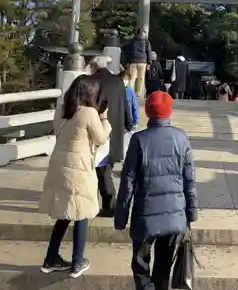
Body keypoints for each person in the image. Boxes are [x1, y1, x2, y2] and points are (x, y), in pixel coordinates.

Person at [114, 91, 198, 290]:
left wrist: (121, 217)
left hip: (145, 214)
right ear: (170, 112)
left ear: (148, 112)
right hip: (174, 214)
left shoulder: (139, 140)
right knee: (163, 267)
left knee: (140, 265)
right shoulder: (181, 138)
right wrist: (191, 213)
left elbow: (128, 182)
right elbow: (190, 180)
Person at [39, 75, 111, 278]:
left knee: (65, 213)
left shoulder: (62, 109)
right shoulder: (88, 113)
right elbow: (101, 138)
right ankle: (78, 262)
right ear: (90, 92)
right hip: (78, 168)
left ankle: (51, 258)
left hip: (58, 166)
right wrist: (104, 118)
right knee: (82, 212)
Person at [90, 56, 133, 217]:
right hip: (116, 132)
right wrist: (129, 123)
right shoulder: (118, 82)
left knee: (101, 170)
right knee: (106, 167)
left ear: (94, 66)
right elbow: (125, 105)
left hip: (99, 128)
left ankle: (109, 205)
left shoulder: (91, 81)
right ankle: (108, 203)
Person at [126, 27, 152, 97]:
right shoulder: (146, 42)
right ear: (142, 33)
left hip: (133, 61)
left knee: (132, 78)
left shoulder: (132, 41)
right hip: (142, 62)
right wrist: (149, 62)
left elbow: (128, 52)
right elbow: (149, 52)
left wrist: (128, 61)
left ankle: (129, 92)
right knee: (141, 78)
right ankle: (138, 93)